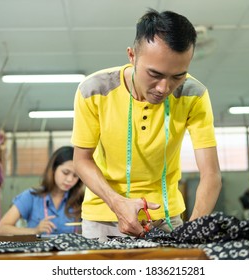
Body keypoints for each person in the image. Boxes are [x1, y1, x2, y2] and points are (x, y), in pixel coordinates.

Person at [71, 9, 222, 241]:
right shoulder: (94, 90)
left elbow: (211, 174)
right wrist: (117, 203)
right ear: (132, 56)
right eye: (154, 74)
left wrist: (193, 231)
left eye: (177, 76)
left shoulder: (194, 95)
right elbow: (81, 160)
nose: (164, 88)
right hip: (103, 215)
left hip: (167, 218)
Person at [0, 146, 85, 235]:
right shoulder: (31, 197)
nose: (70, 179)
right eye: (65, 172)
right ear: (53, 169)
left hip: (71, 250)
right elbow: (1, 229)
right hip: (38, 249)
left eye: (75, 176)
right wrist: (34, 231)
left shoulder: (81, 201)